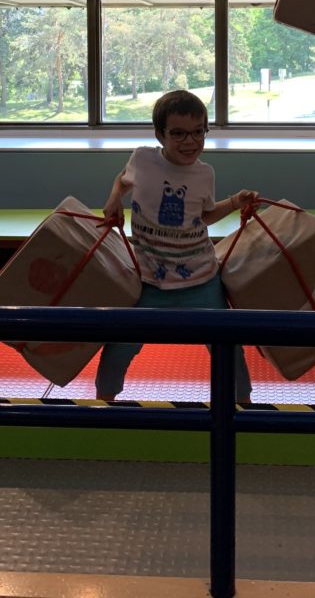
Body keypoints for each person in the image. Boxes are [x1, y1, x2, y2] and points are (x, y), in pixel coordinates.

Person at [98, 89, 257, 403]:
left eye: (198, 132)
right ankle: (104, 402)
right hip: (149, 280)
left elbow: (203, 216)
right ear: (160, 134)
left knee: (228, 347)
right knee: (118, 345)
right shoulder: (142, 159)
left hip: (200, 279)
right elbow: (123, 179)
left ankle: (242, 406)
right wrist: (114, 198)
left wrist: (235, 202)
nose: (190, 142)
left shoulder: (204, 173)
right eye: (179, 133)